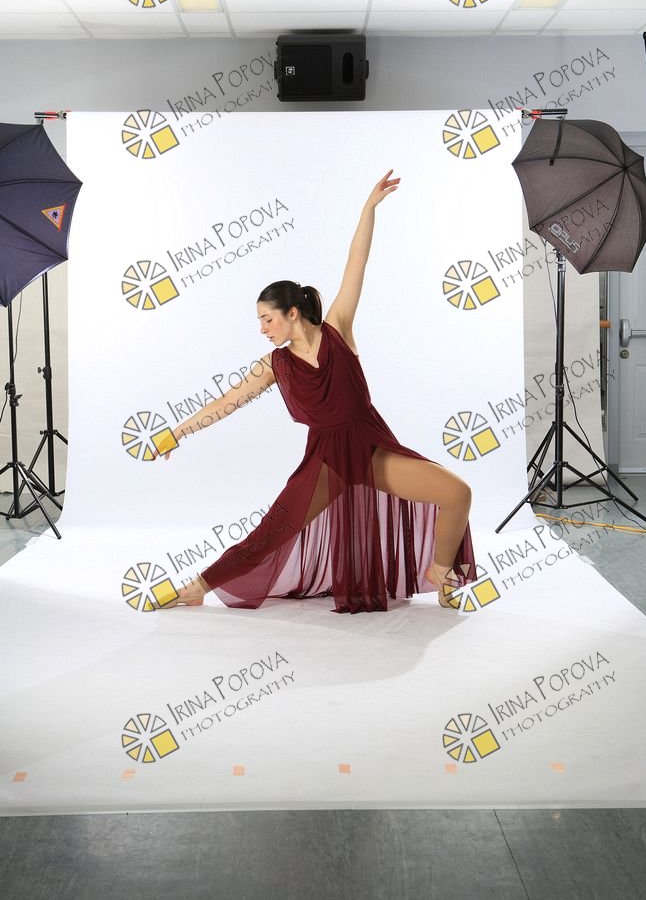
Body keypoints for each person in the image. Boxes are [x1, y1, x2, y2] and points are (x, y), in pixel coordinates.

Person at [155, 170, 477, 612]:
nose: (263, 329)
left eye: (267, 319)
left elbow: (357, 263)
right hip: (326, 460)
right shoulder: (274, 365)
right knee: (271, 532)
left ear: (292, 313)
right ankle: (197, 588)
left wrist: (368, 208)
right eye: (260, 322)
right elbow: (226, 403)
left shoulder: (338, 328)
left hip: (370, 447)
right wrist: (177, 432)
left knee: (458, 493)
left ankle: (440, 572)